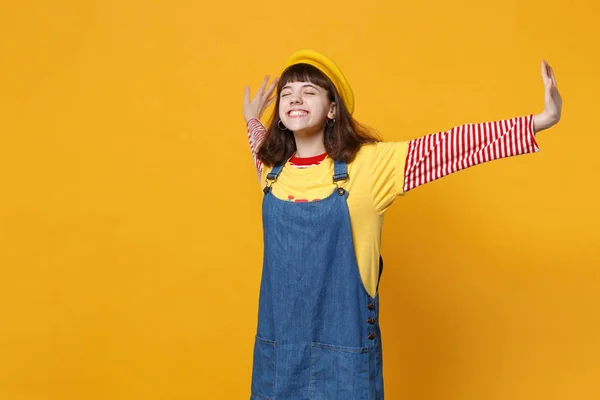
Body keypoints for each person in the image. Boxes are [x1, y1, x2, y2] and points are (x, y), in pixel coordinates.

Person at [242, 49, 562, 400]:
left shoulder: (370, 166)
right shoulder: (270, 170)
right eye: (287, 93)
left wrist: (540, 120)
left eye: (309, 91)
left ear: (333, 109)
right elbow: (257, 138)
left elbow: (449, 148)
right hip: (279, 357)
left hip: (344, 360)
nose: (295, 99)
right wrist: (251, 116)